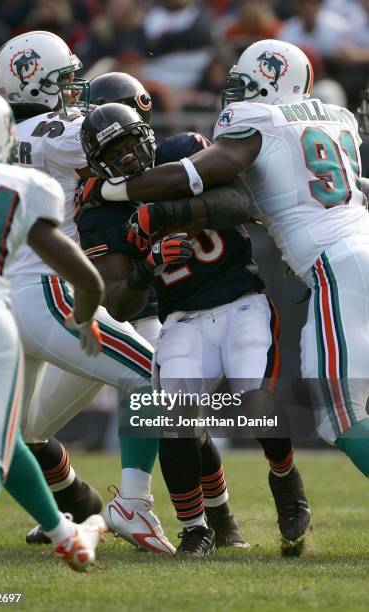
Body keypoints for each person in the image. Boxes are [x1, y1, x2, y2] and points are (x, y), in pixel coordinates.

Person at [98, 39, 369, 486]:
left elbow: (199, 172)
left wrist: (121, 189)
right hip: (352, 249)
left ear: (268, 84)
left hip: (337, 267)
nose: (236, 95)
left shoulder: (256, 119)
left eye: (245, 85)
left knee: (339, 413)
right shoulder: (336, 119)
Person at [79, 99, 311, 555]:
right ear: (97, 165)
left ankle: (284, 477)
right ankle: (196, 528)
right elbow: (120, 303)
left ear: (146, 135)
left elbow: (240, 202)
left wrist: (165, 215)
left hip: (241, 300)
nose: (126, 157)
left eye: (130, 143)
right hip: (183, 317)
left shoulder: (182, 153)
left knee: (254, 397)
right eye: (114, 153)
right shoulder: (98, 214)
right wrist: (147, 269)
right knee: (177, 417)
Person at [0, 30, 174, 554]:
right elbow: (128, 146)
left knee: (19, 434)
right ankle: (133, 504)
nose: (75, 91)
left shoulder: (3, 134)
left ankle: (70, 514)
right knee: (157, 374)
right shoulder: (56, 130)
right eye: (66, 80)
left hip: (3, 299)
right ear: (41, 81)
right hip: (47, 291)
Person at [0, 87, 106, 572]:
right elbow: (86, 277)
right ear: (3, 134)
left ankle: (64, 533)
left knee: (3, 434)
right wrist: (83, 316)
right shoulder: (24, 183)